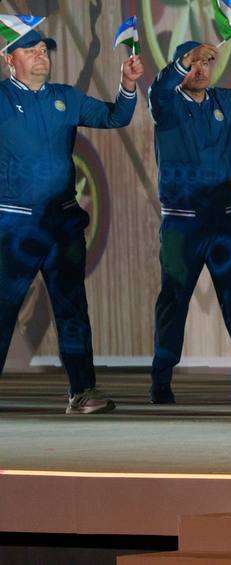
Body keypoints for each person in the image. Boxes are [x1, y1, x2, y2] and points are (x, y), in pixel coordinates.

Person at [0, 29, 142, 414]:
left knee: (72, 310)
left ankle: (82, 391)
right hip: (14, 226)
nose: (41, 55)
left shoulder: (66, 97)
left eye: (43, 49)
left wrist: (128, 84)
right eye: (30, 50)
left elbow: (115, 116)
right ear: (9, 58)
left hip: (62, 225)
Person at [147, 40, 231, 404]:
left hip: (223, 224)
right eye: (194, 63)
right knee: (173, 303)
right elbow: (158, 87)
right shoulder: (166, 104)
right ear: (181, 67)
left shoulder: (224, 102)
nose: (201, 70)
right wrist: (183, 61)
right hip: (182, 226)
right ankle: (161, 383)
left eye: (207, 63)